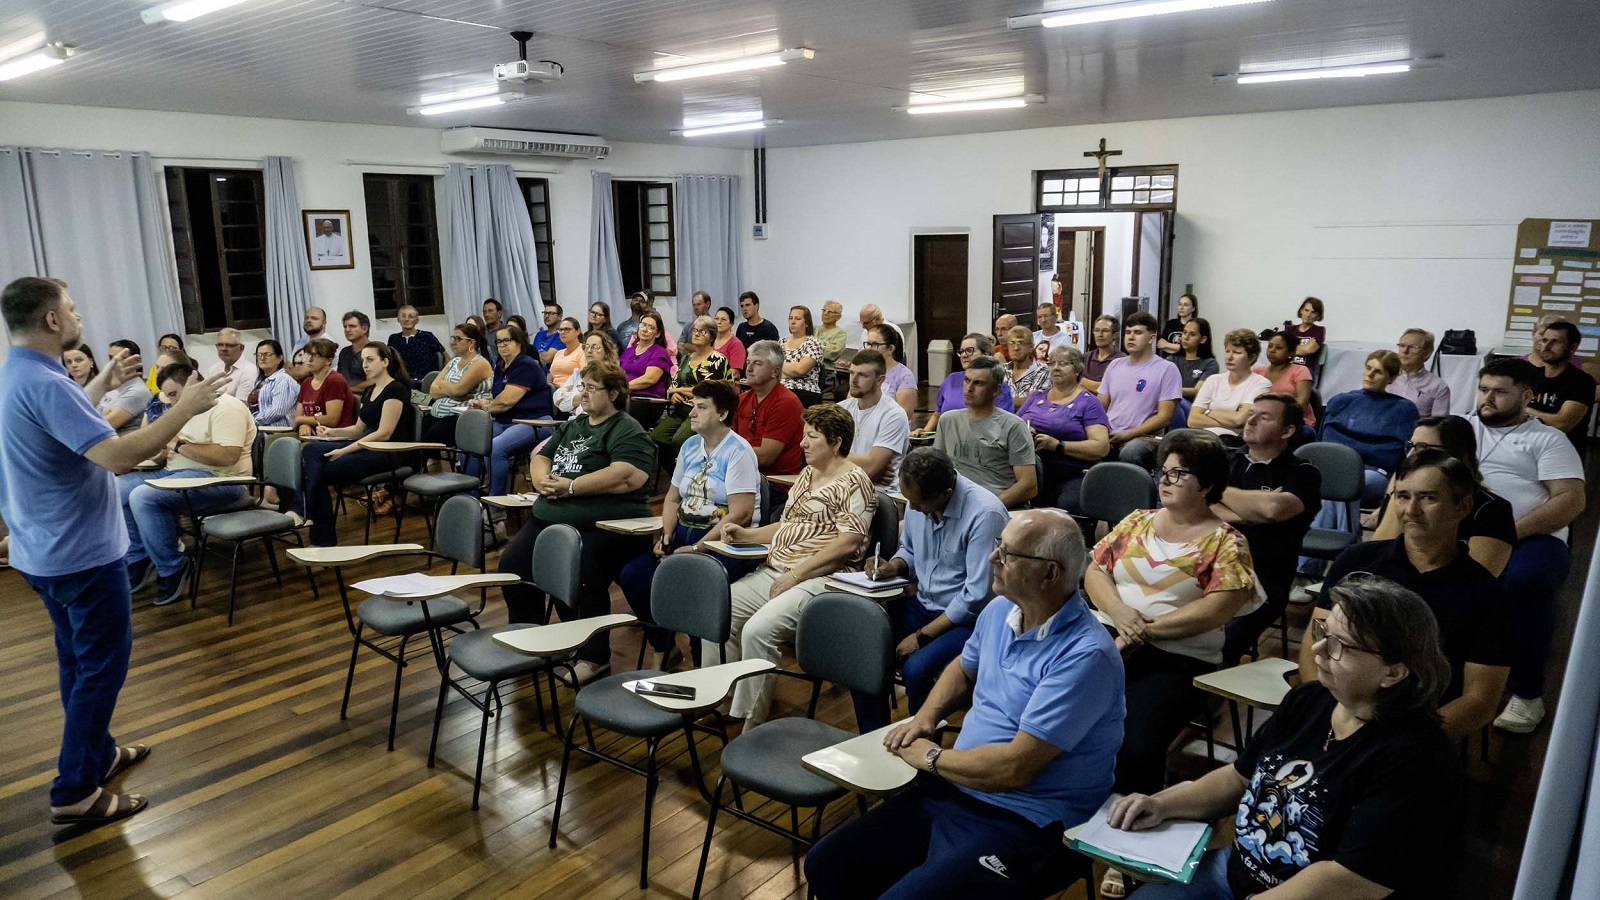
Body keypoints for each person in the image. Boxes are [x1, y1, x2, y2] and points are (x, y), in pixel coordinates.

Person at [0, 276, 228, 826]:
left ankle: (97, 755)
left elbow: (66, 425)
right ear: (51, 320)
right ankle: (75, 790)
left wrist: (103, 380)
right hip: (78, 552)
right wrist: (185, 407)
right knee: (100, 669)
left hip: (43, 548)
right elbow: (119, 457)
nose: (78, 316)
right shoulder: (47, 383)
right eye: (71, 308)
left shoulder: (18, 373)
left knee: (78, 662)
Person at [806, 510, 1124, 900]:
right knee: (826, 864)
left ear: (1049, 574)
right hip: (960, 787)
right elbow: (963, 667)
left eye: (1007, 554)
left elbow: (1015, 769)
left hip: (1029, 819)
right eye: (999, 546)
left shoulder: (1086, 655)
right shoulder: (1001, 610)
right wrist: (925, 718)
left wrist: (933, 758)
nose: (993, 558)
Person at [1110, 580, 1463, 900]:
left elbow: (1350, 880)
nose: (1317, 650)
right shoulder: (1310, 699)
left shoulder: (1417, 757)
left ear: (1393, 672)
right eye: (1323, 631)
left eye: (1339, 645)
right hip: (1236, 872)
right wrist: (1163, 804)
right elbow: (1238, 777)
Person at [1087, 431, 1259, 796]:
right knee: (1059, 710)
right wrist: (1120, 613)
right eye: (1163, 472)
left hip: (1177, 656)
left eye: (1179, 473)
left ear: (1207, 484)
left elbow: (1217, 610)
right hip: (1108, 635)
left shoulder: (1227, 541)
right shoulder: (1137, 521)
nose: (1165, 480)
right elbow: (1095, 571)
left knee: (1135, 745)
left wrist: (1143, 631)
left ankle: (1132, 809)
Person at [1298, 454, 1514, 739]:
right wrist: (1329, 715)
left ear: (1462, 506)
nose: (1411, 510)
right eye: (1402, 496)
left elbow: (1480, 700)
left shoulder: (1487, 594)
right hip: (1337, 716)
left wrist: (1398, 744)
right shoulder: (1357, 562)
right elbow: (1313, 645)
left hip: (1418, 735)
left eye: (1428, 498)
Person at [714, 404, 878, 726]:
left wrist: (796, 575)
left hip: (823, 578)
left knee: (758, 631)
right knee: (719, 609)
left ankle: (752, 721)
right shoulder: (807, 474)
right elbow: (787, 525)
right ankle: (724, 698)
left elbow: (848, 542)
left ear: (836, 442)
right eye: (804, 435)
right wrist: (746, 534)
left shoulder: (855, 482)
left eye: (812, 437)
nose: (802, 443)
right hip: (780, 569)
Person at [497, 361, 657, 683]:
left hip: (603, 525)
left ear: (613, 394)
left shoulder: (626, 428)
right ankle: (531, 638)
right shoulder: (576, 425)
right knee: (512, 565)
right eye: (582, 386)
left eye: (591, 388)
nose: (583, 393)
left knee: (577, 568)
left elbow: (628, 475)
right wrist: (542, 481)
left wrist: (571, 487)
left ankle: (594, 656)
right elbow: (542, 456)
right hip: (551, 516)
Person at [1469, 358, 1585, 734]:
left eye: (1499, 392)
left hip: (1531, 538)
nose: (1487, 399)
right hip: (1461, 532)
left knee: (1526, 582)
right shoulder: (1460, 429)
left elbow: (1570, 500)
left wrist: (1508, 532)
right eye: (1483, 389)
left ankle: (1527, 694)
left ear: (1526, 396)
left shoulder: (1548, 439)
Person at [858, 448, 1009, 729]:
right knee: (864, 648)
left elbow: (976, 597)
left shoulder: (985, 514)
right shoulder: (919, 499)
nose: (912, 509)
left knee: (917, 671)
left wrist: (921, 637)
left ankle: (919, 743)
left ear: (946, 493)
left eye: (918, 503)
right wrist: (894, 566)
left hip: (968, 621)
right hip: (923, 603)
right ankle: (872, 734)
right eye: (909, 500)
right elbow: (910, 550)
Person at [618, 380, 760, 667]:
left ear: (722, 414)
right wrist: (666, 536)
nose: (692, 412)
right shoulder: (690, 446)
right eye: (693, 406)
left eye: (701, 407)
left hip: (725, 545)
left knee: (692, 583)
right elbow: (672, 498)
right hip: (684, 537)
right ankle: (664, 645)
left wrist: (698, 548)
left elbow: (741, 514)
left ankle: (700, 664)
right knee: (633, 576)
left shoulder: (739, 451)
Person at [119, 359, 258, 606]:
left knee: (143, 497)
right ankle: (139, 556)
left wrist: (176, 444)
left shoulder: (226, 406)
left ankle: (173, 566)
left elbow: (227, 456)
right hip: (176, 473)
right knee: (117, 489)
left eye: (174, 394)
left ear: (193, 383)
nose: (172, 402)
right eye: (168, 396)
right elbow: (174, 448)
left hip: (222, 481)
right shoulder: (183, 410)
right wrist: (160, 451)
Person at [1211, 393, 1321, 664]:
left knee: (1216, 646)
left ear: (1287, 431)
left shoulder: (1303, 473)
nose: (1251, 421)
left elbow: (1274, 509)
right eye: (1251, 414)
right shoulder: (1223, 461)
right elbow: (1195, 505)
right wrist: (1253, 511)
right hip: (1206, 567)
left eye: (1264, 417)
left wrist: (1214, 489)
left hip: (1262, 580)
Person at [285, 343, 415, 546]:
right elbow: (357, 430)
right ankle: (306, 515)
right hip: (366, 445)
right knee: (310, 450)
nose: (365, 365)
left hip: (387, 452)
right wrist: (332, 432)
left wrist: (344, 450)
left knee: (320, 473)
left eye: (370, 360)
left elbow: (384, 433)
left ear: (385, 362)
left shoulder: (396, 390)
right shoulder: (370, 390)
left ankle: (317, 531)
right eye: (363, 360)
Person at [1369, 415, 1516, 577]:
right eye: (1411, 446)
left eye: (1423, 448)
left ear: (1456, 456)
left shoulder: (1492, 510)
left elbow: (1476, 581)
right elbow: (1375, 561)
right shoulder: (1401, 499)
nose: (1410, 455)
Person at [934, 354, 1038, 509]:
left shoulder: (1013, 426)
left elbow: (1028, 486)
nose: (969, 388)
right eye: (967, 380)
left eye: (978, 383)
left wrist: (986, 509)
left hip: (998, 505)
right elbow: (937, 470)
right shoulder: (948, 420)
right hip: (955, 504)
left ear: (995, 390)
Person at [1016, 345, 1109, 516]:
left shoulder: (1089, 403)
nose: (1056, 368)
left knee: (1066, 505)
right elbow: (1013, 426)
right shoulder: (1036, 396)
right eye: (1052, 363)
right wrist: (1025, 432)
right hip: (1030, 470)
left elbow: (1101, 447)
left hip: (1070, 474)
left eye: (1063, 363)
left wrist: (1058, 445)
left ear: (1077, 370)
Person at [1319, 349, 1418, 505]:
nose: (1369, 375)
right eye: (1368, 368)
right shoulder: (1339, 401)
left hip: (1373, 471)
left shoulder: (1403, 409)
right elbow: (1320, 441)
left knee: (1344, 486)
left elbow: (1407, 454)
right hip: (1333, 465)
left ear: (1391, 378)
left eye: (1378, 371)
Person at [468, 323, 554, 497]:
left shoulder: (526, 365)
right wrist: (482, 402)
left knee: (495, 448)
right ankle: (471, 498)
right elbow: (498, 398)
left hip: (534, 422)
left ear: (519, 342)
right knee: (472, 442)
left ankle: (495, 503)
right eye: (499, 342)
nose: (502, 345)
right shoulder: (500, 366)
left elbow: (506, 401)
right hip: (505, 421)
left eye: (506, 340)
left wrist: (486, 406)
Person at [1097, 312, 1183, 469]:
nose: (1130, 337)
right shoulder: (1115, 365)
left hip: (1144, 438)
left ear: (1151, 338)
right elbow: (1100, 405)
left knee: (1131, 451)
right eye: (1128, 332)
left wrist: (1127, 435)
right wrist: (1099, 431)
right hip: (1110, 433)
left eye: (1137, 332)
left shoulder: (1167, 369)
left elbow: (1164, 417)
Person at [651, 315, 733, 456]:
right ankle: (673, 468)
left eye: (702, 331)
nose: (696, 334)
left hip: (703, 412)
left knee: (679, 440)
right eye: (695, 330)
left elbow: (707, 391)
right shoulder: (686, 358)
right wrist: (674, 394)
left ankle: (687, 468)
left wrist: (679, 390)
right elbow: (674, 383)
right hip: (680, 409)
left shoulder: (717, 360)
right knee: (656, 437)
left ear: (712, 336)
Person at [837, 348, 913, 497]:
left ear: (880, 380)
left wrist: (832, 458)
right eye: (851, 373)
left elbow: (872, 467)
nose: (853, 380)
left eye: (862, 375)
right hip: (843, 488)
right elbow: (816, 458)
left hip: (880, 495)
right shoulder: (841, 409)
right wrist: (863, 469)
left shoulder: (893, 414)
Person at [733, 340, 805, 479]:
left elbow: (765, 458)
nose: (749, 368)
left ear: (775, 371)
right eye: (748, 362)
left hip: (773, 481)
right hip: (741, 473)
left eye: (758, 363)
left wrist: (728, 452)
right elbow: (727, 440)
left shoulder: (786, 403)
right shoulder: (741, 399)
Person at [1189, 329, 1273, 442]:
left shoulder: (1260, 384)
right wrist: (1230, 422)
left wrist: (1208, 412)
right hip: (1201, 437)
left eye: (1237, 353)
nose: (1229, 357)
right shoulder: (1213, 380)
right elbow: (1192, 419)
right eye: (1228, 351)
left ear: (1252, 358)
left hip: (1232, 441)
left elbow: (1240, 420)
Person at [1527, 319, 1596, 452]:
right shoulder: (1528, 376)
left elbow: (1561, 423)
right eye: (1545, 340)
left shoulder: (1582, 381)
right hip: (1527, 447)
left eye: (1555, 342)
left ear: (1572, 348)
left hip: (1562, 451)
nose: (1546, 347)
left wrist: (1524, 411)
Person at [420, 322, 492, 446]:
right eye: (453, 338)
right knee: (414, 434)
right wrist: (452, 391)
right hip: (438, 415)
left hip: (462, 417)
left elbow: (458, 391)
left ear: (471, 343)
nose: (453, 342)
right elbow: (432, 390)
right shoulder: (454, 361)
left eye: (458, 339)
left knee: (429, 438)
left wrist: (443, 385)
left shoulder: (480, 363)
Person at [925, 333, 1014, 432]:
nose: (964, 355)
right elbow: (937, 415)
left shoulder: (997, 385)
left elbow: (1002, 422)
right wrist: (924, 432)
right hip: (948, 437)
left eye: (969, 350)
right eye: (961, 351)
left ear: (986, 354)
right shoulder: (951, 379)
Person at [292, 337, 357, 436]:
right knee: (275, 439)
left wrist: (302, 420)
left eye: (316, 356)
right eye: (308, 354)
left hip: (333, 435)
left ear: (328, 361)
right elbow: (299, 415)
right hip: (312, 433)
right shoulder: (306, 383)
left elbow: (332, 420)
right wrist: (304, 424)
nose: (309, 359)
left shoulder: (335, 381)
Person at [1253, 330, 1316, 427]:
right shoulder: (1257, 371)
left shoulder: (1300, 371)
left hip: (1296, 423)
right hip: (1262, 422)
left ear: (1290, 352)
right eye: (1270, 346)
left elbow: (1301, 405)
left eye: (1278, 348)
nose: (1272, 350)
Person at [620, 310, 673, 419]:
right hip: (625, 396)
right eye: (643, 325)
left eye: (651, 327)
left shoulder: (659, 352)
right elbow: (619, 372)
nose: (645, 329)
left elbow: (649, 379)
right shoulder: (628, 351)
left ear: (658, 334)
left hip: (646, 401)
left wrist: (623, 387)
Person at [1389, 328, 1451, 416]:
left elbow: (1439, 422)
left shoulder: (1438, 386)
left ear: (1426, 354)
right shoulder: (1385, 376)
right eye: (1402, 345)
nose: (1405, 351)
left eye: (1413, 347)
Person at [99, 340, 153, 436]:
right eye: (111, 358)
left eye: (122, 358)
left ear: (137, 361)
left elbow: (104, 426)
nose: (114, 363)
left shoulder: (137, 391)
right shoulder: (112, 385)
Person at [866, 324, 919, 419]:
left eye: (875, 344)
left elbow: (904, 414)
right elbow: (852, 402)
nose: (869, 349)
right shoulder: (864, 370)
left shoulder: (904, 375)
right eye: (868, 344)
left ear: (890, 349)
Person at [555, 330, 614, 416]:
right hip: (574, 421)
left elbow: (591, 410)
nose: (589, 351)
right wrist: (583, 400)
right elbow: (558, 401)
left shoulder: (610, 375)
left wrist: (574, 407)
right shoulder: (578, 374)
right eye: (586, 347)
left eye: (595, 347)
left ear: (607, 352)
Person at [386, 305, 445, 387]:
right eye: (403, 316)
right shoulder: (393, 339)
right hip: (402, 382)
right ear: (398, 319)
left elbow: (445, 356)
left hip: (426, 382)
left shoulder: (427, 336)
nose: (406, 319)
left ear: (417, 320)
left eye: (411, 316)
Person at [779, 305, 825, 405]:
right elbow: (769, 369)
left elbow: (800, 370)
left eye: (798, 319)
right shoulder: (780, 343)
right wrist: (789, 369)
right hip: (779, 388)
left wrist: (778, 366)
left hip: (804, 389)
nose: (793, 322)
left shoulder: (813, 343)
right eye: (790, 318)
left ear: (807, 323)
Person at [249, 340, 299, 428]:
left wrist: (250, 421)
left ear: (279, 358)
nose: (262, 358)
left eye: (267, 354)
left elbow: (277, 411)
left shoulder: (283, 380)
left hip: (280, 432)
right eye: (259, 355)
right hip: (261, 429)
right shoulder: (261, 381)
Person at [1170, 318, 1218, 403]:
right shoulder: (1171, 360)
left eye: (1192, 334)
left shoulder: (1210, 364)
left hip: (1193, 406)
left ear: (1203, 339)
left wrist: (1170, 391)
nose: (1186, 337)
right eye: (1184, 332)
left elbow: (1198, 391)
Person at [1003, 325, 1050, 407]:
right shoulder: (1001, 370)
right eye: (1012, 343)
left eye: (1021, 343)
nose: (1016, 348)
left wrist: (1001, 402)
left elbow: (1033, 401)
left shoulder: (1042, 370)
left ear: (1031, 347)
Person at [1284, 296, 1326, 381]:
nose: (1308, 315)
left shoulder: (1319, 330)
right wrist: (1303, 348)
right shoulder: (1290, 329)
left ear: (1318, 316)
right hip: (1287, 367)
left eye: (1313, 312)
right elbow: (1283, 350)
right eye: (1306, 310)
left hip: (1306, 370)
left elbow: (1309, 349)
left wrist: (1290, 349)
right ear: (1301, 311)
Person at [1080, 314, 1125, 392]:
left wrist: (1081, 380)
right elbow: (1073, 384)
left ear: (1115, 335)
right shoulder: (1085, 358)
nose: (1100, 335)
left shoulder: (1122, 360)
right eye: (1097, 330)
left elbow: (1110, 390)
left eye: (1105, 331)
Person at [334, 311, 374, 393]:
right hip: (343, 395)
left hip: (366, 396)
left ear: (365, 328)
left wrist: (347, 389)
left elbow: (373, 382)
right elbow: (340, 378)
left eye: (352, 326)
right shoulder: (344, 352)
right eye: (345, 327)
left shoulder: (374, 350)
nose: (347, 330)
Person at [547, 316, 587, 396]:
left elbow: (584, 377)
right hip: (553, 391)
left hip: (570, 392)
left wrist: (563, 389)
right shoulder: (559, 353)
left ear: (578, 331)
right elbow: (550, 377)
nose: (563, 332)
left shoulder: (583, 351)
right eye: (561, 330)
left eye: (567, 329)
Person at [711, 306, 746, 374]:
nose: (719, 322)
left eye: (723, 319)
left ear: (731, 324)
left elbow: (734, 372)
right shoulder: (710, 340)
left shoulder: (736, 344)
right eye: (717, 319)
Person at [817, 299, 847, 366]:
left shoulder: (840, 334)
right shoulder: (813, 329)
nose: (825, 313)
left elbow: (829, 354)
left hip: (827, 369)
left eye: (830, 312)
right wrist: (825, 345)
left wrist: (811, 346)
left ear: (838, 317)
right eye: (824, 310)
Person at [481, 298, 505, 366]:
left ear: (499, 313)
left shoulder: (506, 332)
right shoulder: (481, 333)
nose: (486, 315)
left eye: (490, 311)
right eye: (484, 312)